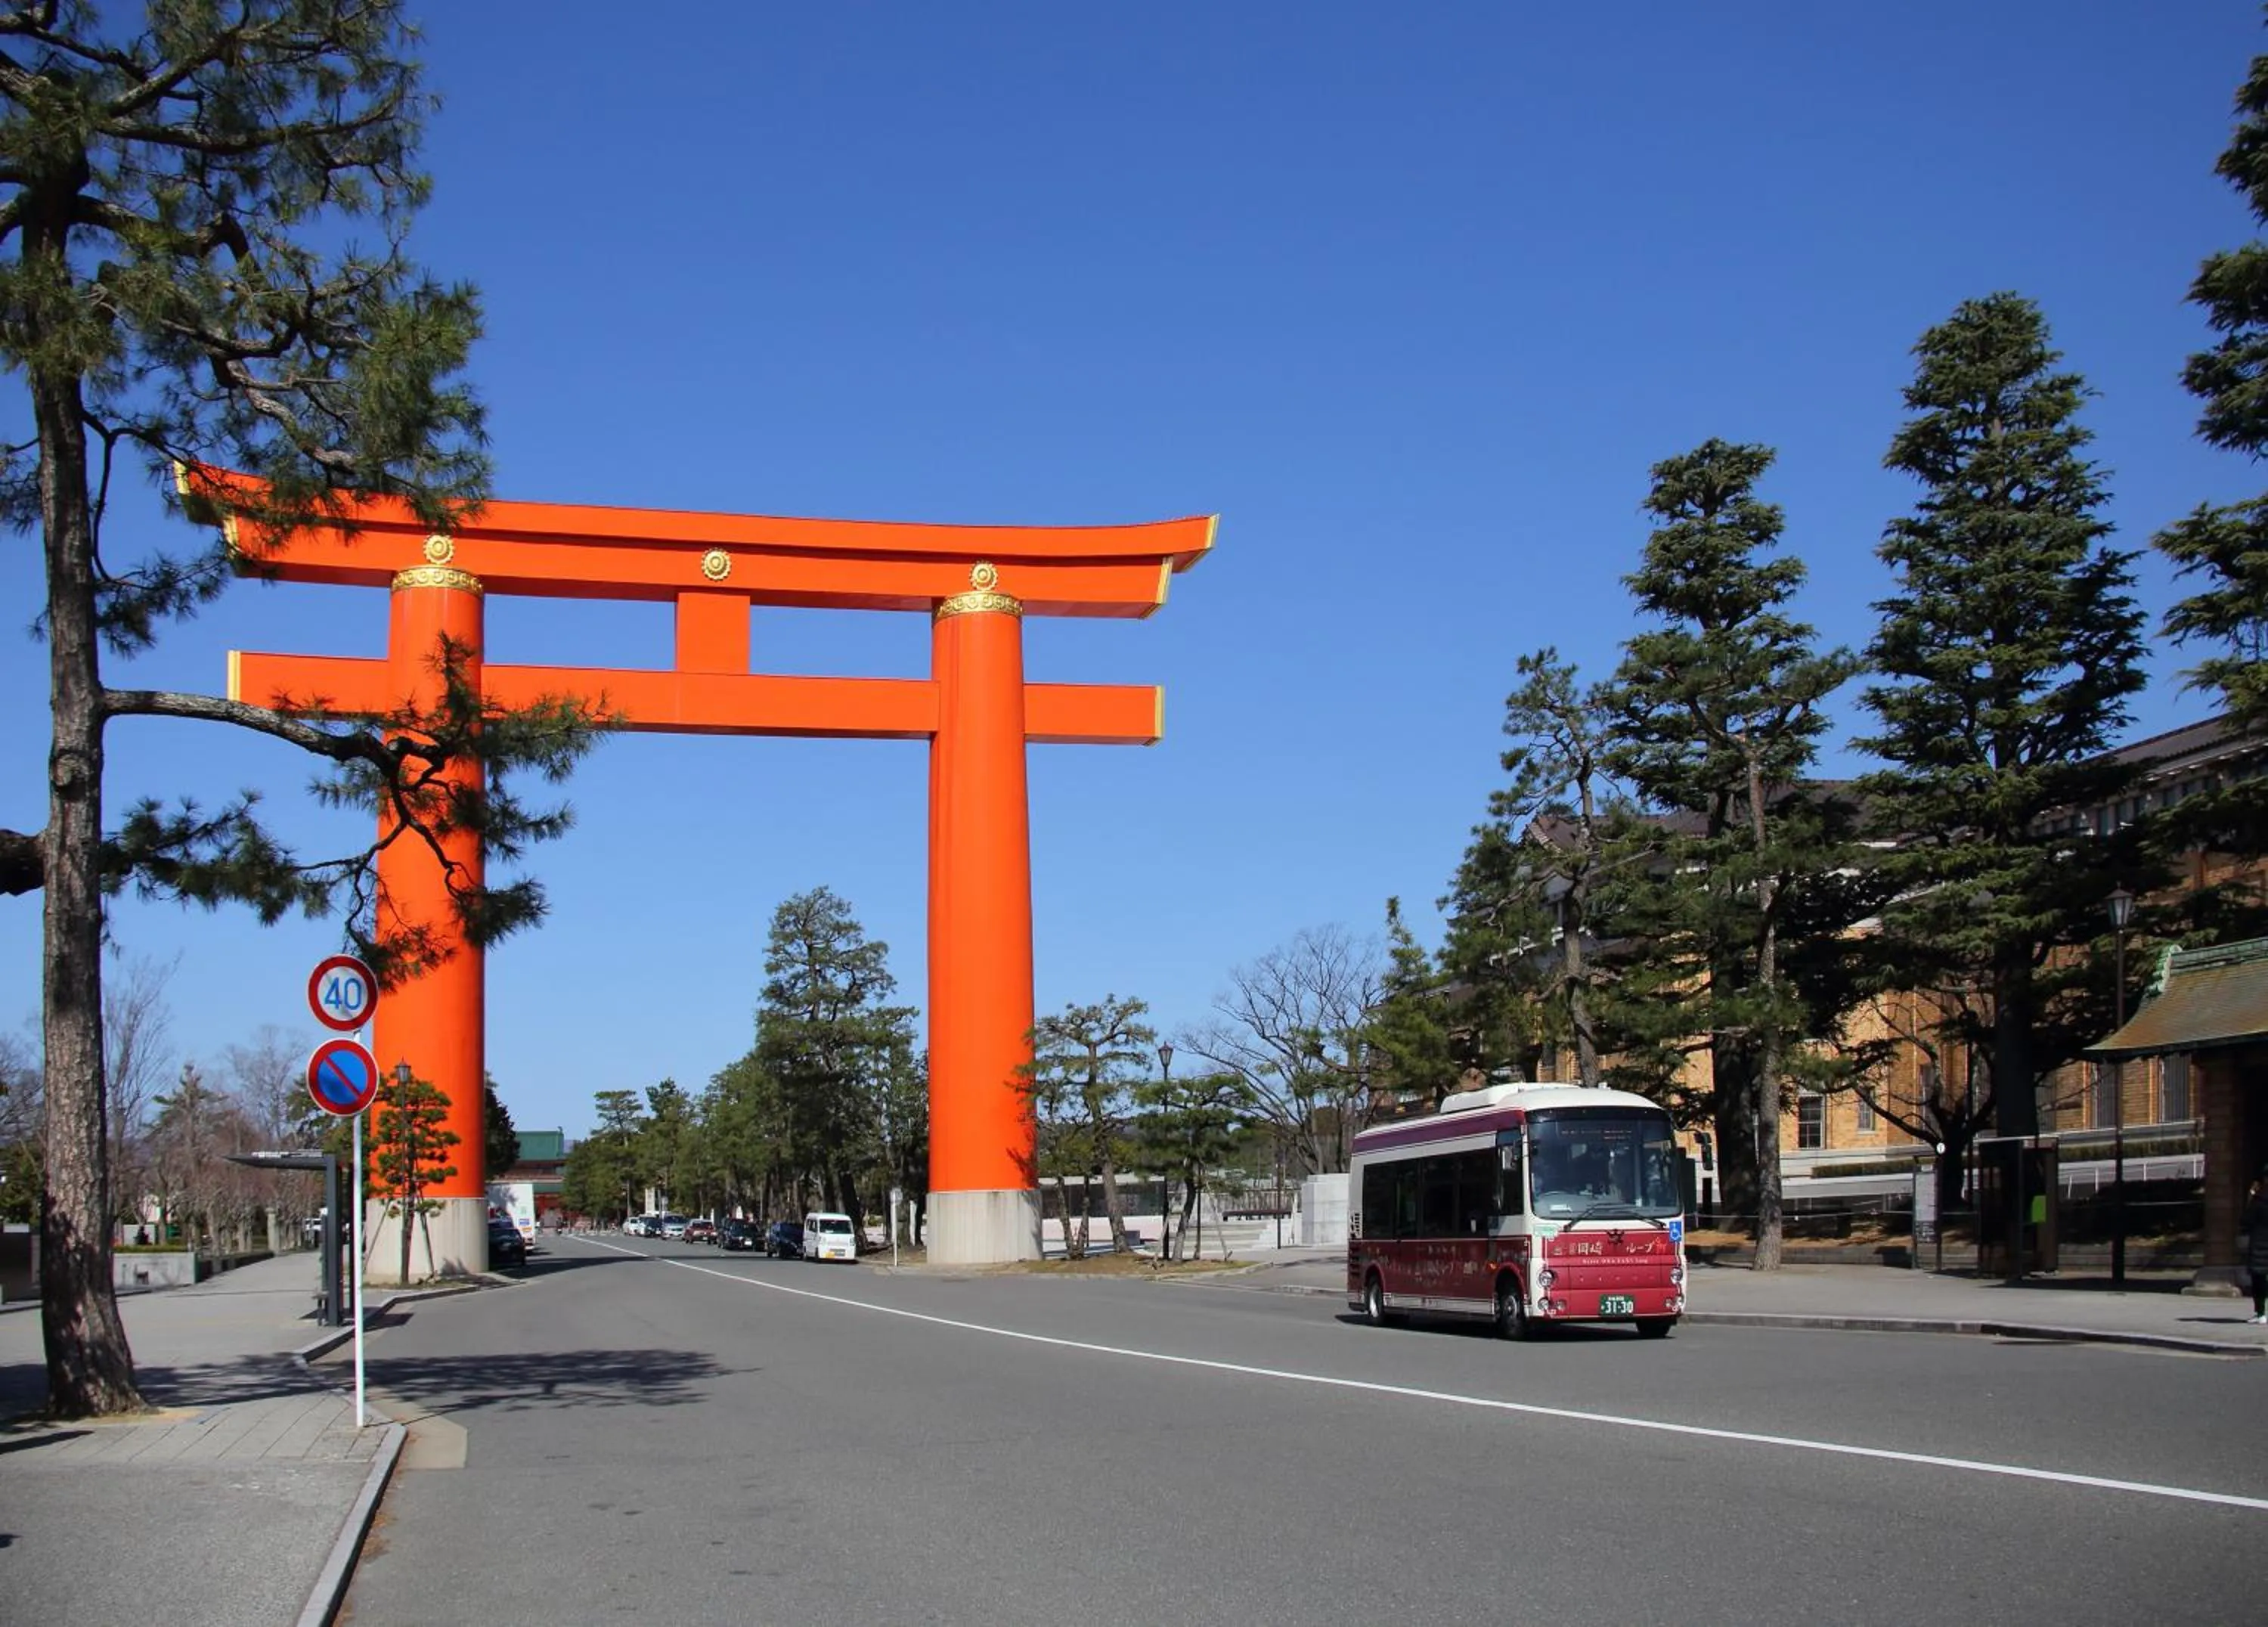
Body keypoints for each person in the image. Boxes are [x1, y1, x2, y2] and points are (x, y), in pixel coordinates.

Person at [2244, 1168, 2268, 1325]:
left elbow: (2246, 1220)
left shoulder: (2258, 1200)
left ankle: (2261, 1313)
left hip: (2260, 1242)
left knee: (2259, 1279)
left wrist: (2250, 1197)